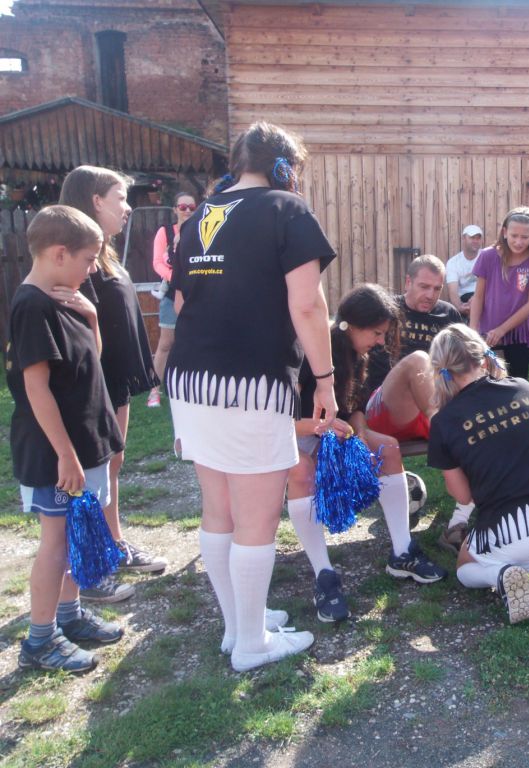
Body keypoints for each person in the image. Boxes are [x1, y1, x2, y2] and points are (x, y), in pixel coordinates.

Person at [166, 121, 337, 672]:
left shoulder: (198, 216)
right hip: (250, 381)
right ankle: (252, 645)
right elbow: (307, 305)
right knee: (257, 518)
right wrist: (325, 379)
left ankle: (238, 625)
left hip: (191, 379)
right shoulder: (287, 209)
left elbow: (181, 302)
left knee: (218, 508)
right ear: (286, 166)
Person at [286, 284, 447, 622]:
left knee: (388, 448)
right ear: (351, 324)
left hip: (335, 433)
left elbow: (355, 408)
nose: (380, 341)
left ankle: (402, 551)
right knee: (302, 471)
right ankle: (324, 574)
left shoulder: (358, 354)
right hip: (294, 435)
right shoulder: (311, 350)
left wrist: (359, 432)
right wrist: (322, 428)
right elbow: (280, 420)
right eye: (376, 333)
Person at [9, 206, 126, 673]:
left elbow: (89, 361)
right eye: (88, 258)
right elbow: (36, 388)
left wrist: (92, 319)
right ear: (59, 254)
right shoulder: (32, 306)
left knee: (78, 533)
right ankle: (40, 640)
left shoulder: (66, 299)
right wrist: (65, 454)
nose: (93, 268)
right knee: (56, 541)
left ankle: (69, 615)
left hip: (83, 444)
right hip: (55, 453)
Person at [59, 166, 166, 602]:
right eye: (120, 198)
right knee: (92, 474)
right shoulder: (74, 259)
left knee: (113, 465)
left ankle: (113, 544)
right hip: (91, 384)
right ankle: (88, 569)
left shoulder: (102, 253)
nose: (127, 207)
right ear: (95, 200)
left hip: (114, 378)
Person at [427, 324, 529, 624]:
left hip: (511, 528)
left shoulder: (444, 421)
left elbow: (463, 496)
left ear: (441, 369)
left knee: (464, 566)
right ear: (481, 356)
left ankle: (501, 575)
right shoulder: (524, 387)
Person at [361, 255, 469, 551]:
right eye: (424, 286)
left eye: (437, 288)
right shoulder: (387, 310)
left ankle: (465, 517)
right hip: (385, 409)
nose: (430, 295)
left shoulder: (448, 314)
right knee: (419, 360)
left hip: (433, 409)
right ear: (407, 282)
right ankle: (451, 435)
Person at [470, 207, 529, 380]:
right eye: (514, 235)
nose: (518, 242)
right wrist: (472, 331)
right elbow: (478, 296)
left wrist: (502, 330)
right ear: (504, 232)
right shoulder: (487, 256)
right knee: (485, 382)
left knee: (518, 382)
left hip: (519, 334)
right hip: (487, 332)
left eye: (524, 237)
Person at [147, 190, 198, 408]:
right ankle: (154, 390)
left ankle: (191, 388)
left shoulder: (200, 230)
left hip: (196, 293)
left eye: (191, 207)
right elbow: (157, 262)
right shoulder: (165, 232)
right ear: (175, 209)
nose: (187, 211)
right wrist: (174, 278)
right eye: (183, 207)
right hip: (171, 291)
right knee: (166, 343)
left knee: (194, 342)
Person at [446, 224, 484, 316]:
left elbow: (493, 283)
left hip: (484, 296)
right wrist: (460, 307)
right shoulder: (453, 262)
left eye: (478, 238)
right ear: (463, 238)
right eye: (472, 238)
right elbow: (453, 291)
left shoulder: (487, 257)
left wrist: (476, 299)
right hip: (464, 299)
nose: (475, 241)